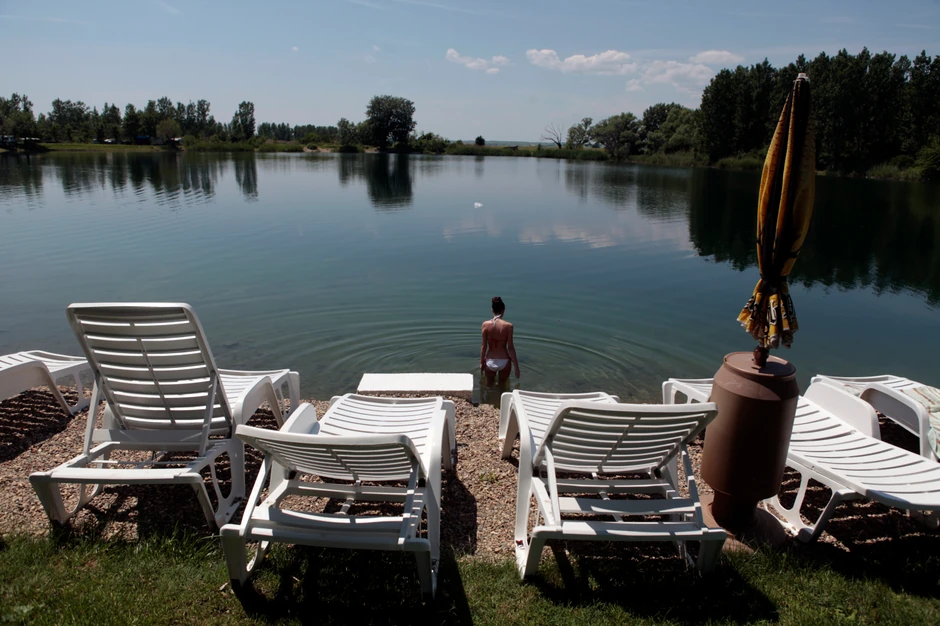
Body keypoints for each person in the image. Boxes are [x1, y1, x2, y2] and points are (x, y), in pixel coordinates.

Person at [480, 296, 520, 385]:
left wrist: (481, 362)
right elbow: (511, 348)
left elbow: (484, 346)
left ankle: (488, 399)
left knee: (489, 386)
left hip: (490, 360)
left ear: (492, 310)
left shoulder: (485, 325)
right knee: (503, 387)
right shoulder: (508, 326)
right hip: (504, 361)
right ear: (503, 310)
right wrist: (516, 368)